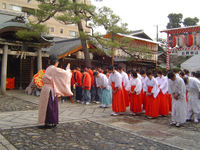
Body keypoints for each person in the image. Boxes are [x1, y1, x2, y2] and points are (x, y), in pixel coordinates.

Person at [38, 54, 73, 127]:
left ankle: (46, 121)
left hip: (46, 88)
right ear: (56, 62)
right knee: (50, 106)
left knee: (46, 105)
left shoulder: (48, 68)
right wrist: (68, 70)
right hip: (50, 89)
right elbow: (65, 74)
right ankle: (50, 121)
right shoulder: (54, 69)